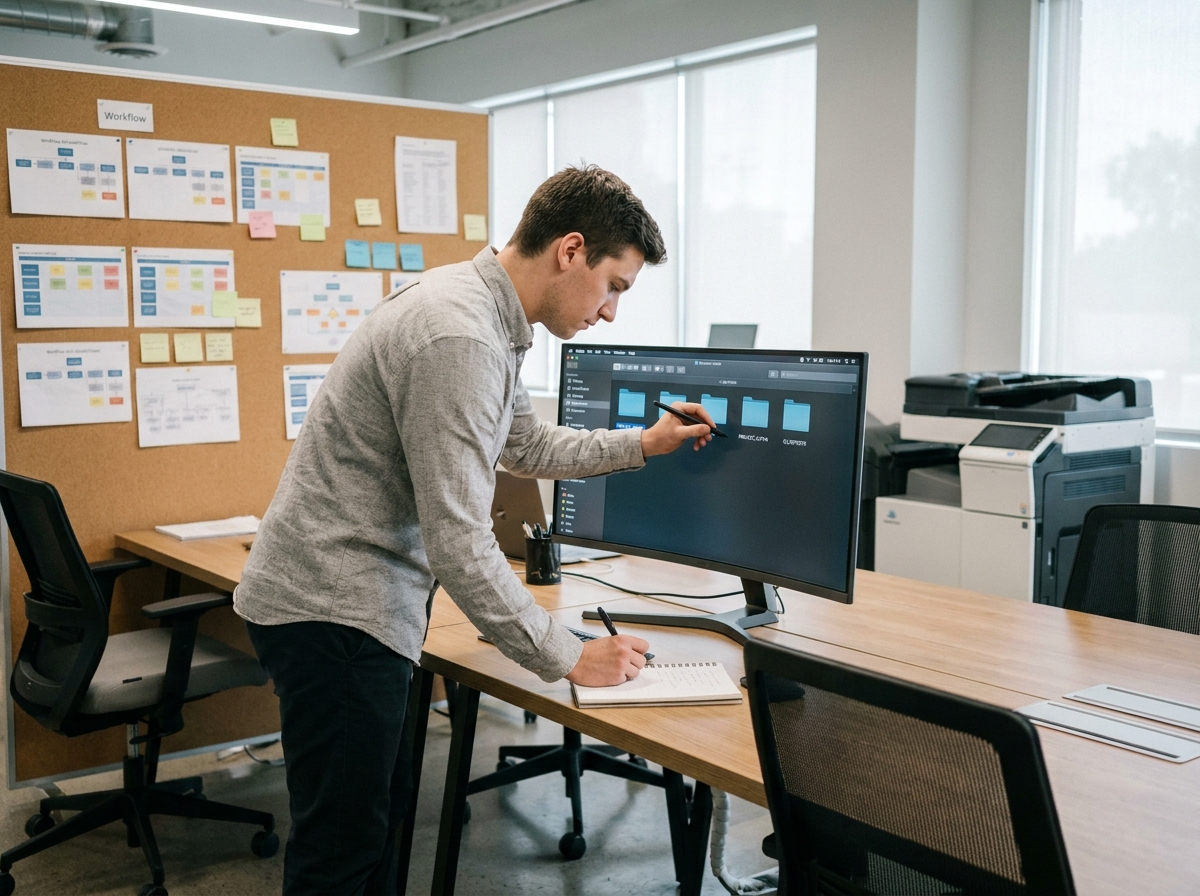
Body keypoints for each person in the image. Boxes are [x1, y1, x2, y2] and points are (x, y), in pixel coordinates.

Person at [233, 165, 718, 895]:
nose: (612, 311)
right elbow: (458, 540)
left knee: (377, 827)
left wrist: (640, 444)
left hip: (354, 602)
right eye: (614, 285)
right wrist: (567, 656)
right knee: (342, 852)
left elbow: (522, 446)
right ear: (571, 250)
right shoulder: (460, 336)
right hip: (333, 611)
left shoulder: (483, 313)